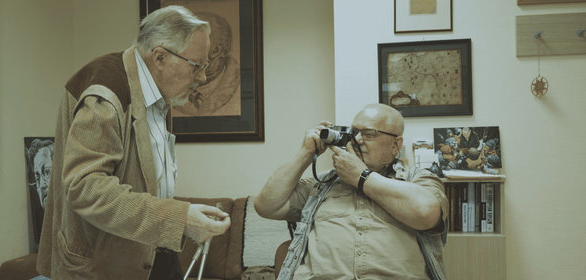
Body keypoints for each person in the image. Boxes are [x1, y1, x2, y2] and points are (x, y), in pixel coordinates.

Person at [36, 6, 231, 280]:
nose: (202, 77)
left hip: (152, 252)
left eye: (205, 66)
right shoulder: (104, 96)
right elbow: (85, 187)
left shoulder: (158, 92)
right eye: (196, 66)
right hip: (105, 267)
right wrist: (180, 218)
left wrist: (184, 220)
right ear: (160, 57)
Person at [255, 103, 448, 280]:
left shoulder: (418, 179)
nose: (357, 140)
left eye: (369, 134)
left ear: (395, 145)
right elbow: (266, 206)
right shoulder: (324, 183)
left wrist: (361, 177)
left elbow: (427, 213)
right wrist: (305, 153)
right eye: (354, 132)